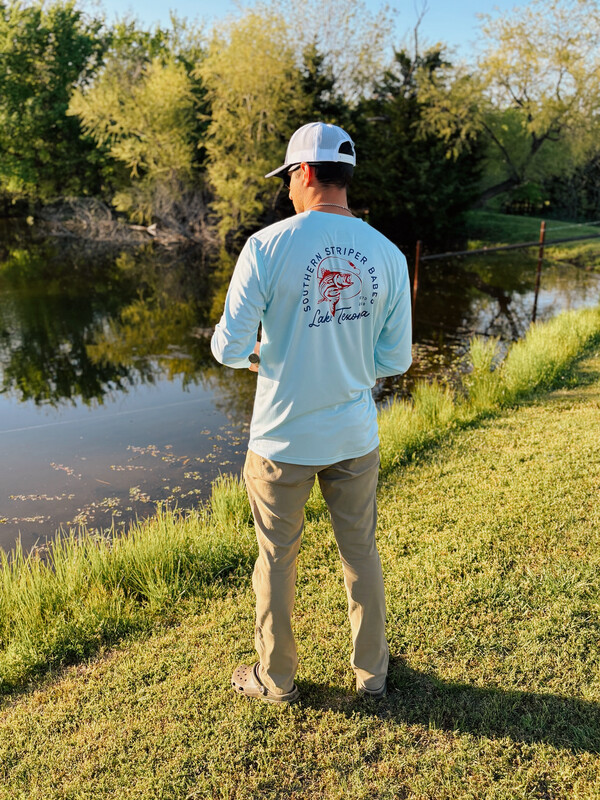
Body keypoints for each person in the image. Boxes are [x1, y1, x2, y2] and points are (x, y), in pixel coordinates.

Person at [211, 121, 412, 703]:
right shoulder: (389, 254)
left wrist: (261, 356)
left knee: (276, 558)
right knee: (360, 550)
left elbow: (228, 346)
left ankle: (275, 680)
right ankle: (372, 674)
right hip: (353, 434)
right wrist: (345, 353)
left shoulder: (266, 246)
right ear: (343, 177)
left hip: (281, 440)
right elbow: (393, 358)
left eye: (288, 179)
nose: (288, 192)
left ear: (303, 173)